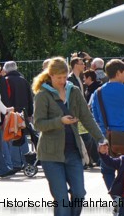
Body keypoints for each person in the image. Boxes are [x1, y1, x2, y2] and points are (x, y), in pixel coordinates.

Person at [33, 57, 106, 216]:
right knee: (62, 200)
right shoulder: (42, 95)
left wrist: (101, 139)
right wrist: (59, 121)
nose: (62, 81)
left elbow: (87, 117)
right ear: (50, 75)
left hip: (73, 152)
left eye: (64, 77)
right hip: (51, 155)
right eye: (58, 77)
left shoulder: (74, 91)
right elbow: (38, 124)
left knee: (79, 194)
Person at [91, 59, 124, 191]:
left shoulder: (98, 92)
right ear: (118, 73)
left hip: (106, 135)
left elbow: (95, 114)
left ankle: (116, 198)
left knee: (107, 170)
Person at [0, 61, 33, 172]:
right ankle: (27, 161)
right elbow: (30, 97)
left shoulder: (6, 81)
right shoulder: (23, 80)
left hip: (11, 112)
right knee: (22, 136)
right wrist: (30, 113)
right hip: (23, 112)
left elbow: (5, 97)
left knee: (12, 136)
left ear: (6, 69)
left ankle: (16, 163)